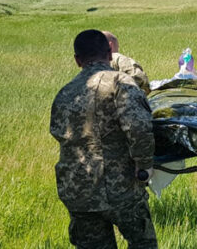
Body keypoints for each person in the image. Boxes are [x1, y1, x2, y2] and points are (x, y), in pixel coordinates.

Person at [50, 29, 157, 249]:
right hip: (119, 188)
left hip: (77, 190)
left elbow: (59, 134)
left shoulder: (65, 93)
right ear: (109, 53)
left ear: (77, 60)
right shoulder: (120, 82)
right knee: (142, 244)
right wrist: (144, 166)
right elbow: (139, 127)